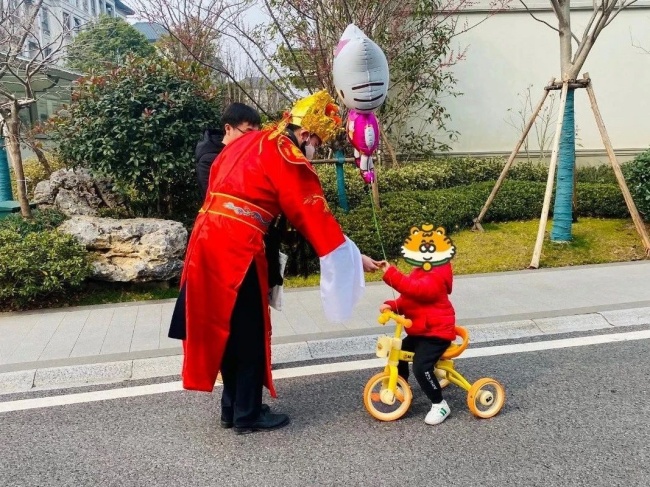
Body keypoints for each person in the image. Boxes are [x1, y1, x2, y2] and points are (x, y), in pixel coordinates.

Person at [170, 90, 382, 435]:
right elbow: (312, 214)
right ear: (305, 134)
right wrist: (351, 256)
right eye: (316, 143)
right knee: (249, 331)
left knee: (225, 327)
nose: (314, 151)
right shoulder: (285, 152)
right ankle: (248, 414)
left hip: (205, 240)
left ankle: (232, 408)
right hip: (237, 246)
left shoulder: (248, 141)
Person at [379, 224, 457, 425]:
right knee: (399, 351)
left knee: (421, 367)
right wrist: (392, 305)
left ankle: (440, 404)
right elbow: (409, 298)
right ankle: (401, 385)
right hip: (421, 330)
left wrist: (391, 274)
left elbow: (417, 290)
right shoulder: (420, 271)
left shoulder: (437, 275)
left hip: (436, 333)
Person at [195, 103, 262, 200]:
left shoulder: (250, 154)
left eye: (257, 134)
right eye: (249, 132)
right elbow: (214, 198)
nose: (253, 138)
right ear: (228, 128)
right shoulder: (209, 159)